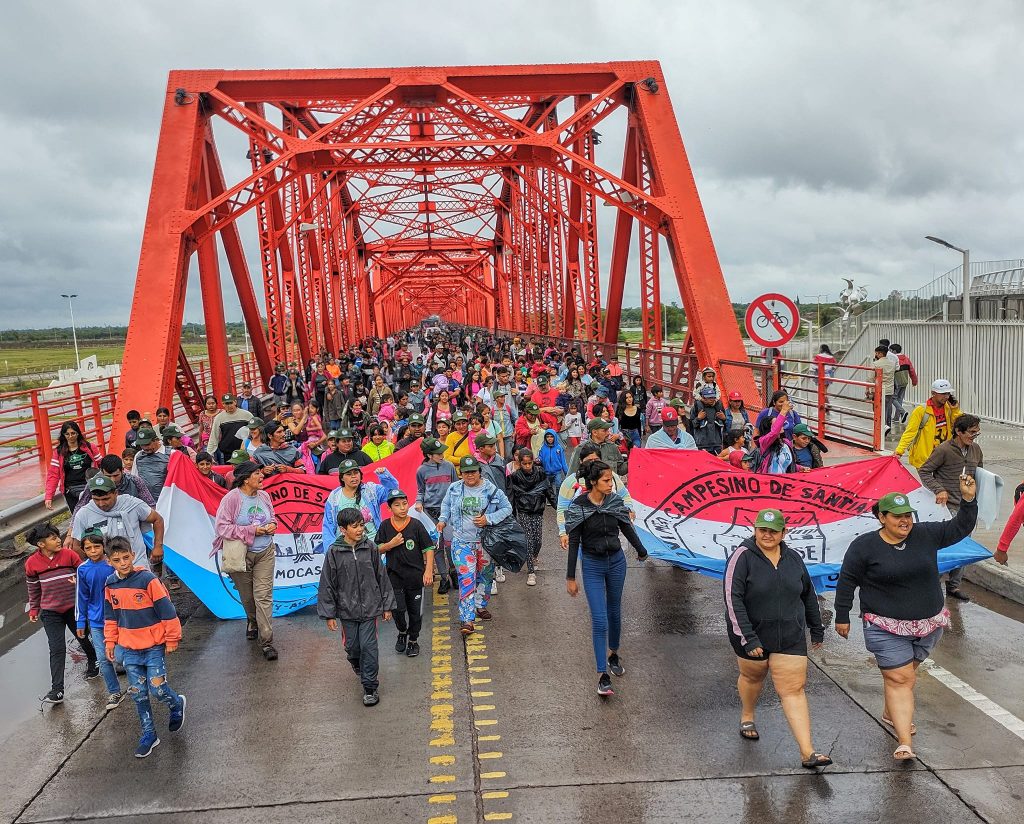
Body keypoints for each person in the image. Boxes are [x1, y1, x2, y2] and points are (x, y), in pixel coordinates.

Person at [834, 479, 978, 761]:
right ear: (881, 517)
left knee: (904, 678)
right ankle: (904, 742)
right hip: (884, 626)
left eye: (908, 515)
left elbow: (960, 527)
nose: (905, 521)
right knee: (901, 678)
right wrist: (842, 616)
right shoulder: (864, 547)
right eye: (897, 516)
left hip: (928, 626)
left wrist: (968, 500)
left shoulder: (925, 534)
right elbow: (847, 581)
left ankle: (891, 711)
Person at [724, 509, 831, 768]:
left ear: (784, 533)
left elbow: (807, 594)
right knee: (753, 677)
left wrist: (816, 628)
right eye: (763, 529)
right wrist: (748, 638)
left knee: (793, 690)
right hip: (751, 634)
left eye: (773, 530)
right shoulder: (742, 557)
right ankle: (748, 714)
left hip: (791, 636)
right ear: (755, 530)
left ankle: (808, 752)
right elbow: (732, 598)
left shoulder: (793, 558)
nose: (767, 535)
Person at [565, 461, 648, 697]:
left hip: (617, 563)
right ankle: (602, 676)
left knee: (614, 612)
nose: (610, 484)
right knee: (600, 620)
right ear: (593, 483)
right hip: (592, 564)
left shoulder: (614, 502)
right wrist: (571, 576)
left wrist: (641, 551)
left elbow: (626, 528)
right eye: (605, 480)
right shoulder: (579, 507)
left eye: (611, 480)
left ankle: (613, 653)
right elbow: (573, 543)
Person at [103, 536, 185, 758]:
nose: (123, 563)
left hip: (153, 647)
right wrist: (110, 641)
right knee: (138, 694)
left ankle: (176, 703)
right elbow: (110, 617)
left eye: (126, 557)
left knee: (158, 689)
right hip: (129, 648)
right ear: (109, 561)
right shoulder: (110, 584)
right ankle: (149, 733)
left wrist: (172, 638)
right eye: (117, 559)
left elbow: (166, 610)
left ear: (132, 554)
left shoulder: (148, 580)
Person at [318, 508, 396, 707]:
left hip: (370, 608)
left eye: (361, 525)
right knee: (353, 647)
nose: (360, 529)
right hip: (347, 610)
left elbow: (381, 577)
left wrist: (387, 605)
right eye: (355, 526)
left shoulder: (370, 547)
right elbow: (327, 583)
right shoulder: (334, 552)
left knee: (369, 647)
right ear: (343, 529)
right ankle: (355, 662)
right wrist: (329, 614)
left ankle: (370, 687)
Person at [436, 456, 513, 635]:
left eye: (473, 472)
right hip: (462, 542)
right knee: (467, 579)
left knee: (485, 577)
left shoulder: (490, 490)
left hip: (485, 543)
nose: (470, 475)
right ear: (461, 473)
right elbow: (446, 505)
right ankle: (467, 619)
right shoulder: (454, 488)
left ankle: (480, 605)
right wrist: (442, 520)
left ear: (479, 472)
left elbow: (507, 508)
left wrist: (488, 519)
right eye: (465, 472)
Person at [213, 461, 279, 661]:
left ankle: (266, 641)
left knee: (263, 597)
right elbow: (222, 528)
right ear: (244, 478)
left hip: (265, 552)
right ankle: (252, 621)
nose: (261, 477)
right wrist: (253, 530)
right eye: (257, 474)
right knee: (248, 598)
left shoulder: (265, 496)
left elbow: (273, 516)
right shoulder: (231, 499)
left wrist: (272, 525)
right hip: (241, 556)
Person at [26, 524, 98, 706]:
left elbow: (85, 574)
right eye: (53, 538)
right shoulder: (32, 564)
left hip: (74, 609)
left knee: (83, 639)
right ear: (41, 544)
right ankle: (57, 690)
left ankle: (93, 660)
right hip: (50, 612)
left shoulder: (69, 555)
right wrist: (34, 609)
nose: (59, 540)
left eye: (58, 536)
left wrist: (82, 586)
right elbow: (33, 589)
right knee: (56, 649)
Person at [918, 414, 983, 602]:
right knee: (944, 551)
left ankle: (954, 587)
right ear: (958, 431)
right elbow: (925, 471)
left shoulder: (976, 450)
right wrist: (940, 489)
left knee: (962, 549)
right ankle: (932, 586)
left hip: (967, 508)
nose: (974, 436)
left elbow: (980, 474)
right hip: (947, 508)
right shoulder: (943, 450)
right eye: (971, 432)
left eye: (976, 433)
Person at [376, 489, 435, 658]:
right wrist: (390, 544)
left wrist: (428, 571)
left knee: (415, 612)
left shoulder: (416, 525)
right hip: (394, 577)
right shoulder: (385, 526)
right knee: (398, 610)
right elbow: (377, 549)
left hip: (415, 577)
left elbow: (429, 548)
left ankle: (413, 640)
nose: (402, 508)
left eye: (404, 504)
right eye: (397, 505)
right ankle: (402, 632)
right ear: (389, 508)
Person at [72, 474, 164, 572]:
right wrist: (94, 564)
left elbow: (158, 519)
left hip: (138, 566)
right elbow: (77, 546)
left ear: (116, 493)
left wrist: (158, 546)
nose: (101, 504)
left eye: (106, 499)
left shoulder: (132, 504)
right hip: (107, 571)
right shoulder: (84, 514)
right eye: (96, 500)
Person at [75, 531, 126, 709]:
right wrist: (80, 621)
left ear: (104, 546)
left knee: (120, 655)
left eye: (97, 546)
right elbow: (81, 596)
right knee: (103, 659)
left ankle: (138, 682)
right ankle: (114, 692)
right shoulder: (82, 569)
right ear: (83, 550)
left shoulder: (112, 564)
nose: (93, 551)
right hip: (96, 621)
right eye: (88, 548)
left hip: (119, 617)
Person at [322, 461, 399, 548]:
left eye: (356, 472)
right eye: (348, 474)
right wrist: (331, 550)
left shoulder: (371, 490)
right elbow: (328, 526)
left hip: (374, 546)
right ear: (342, 478)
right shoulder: (334, 497)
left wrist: (384, 476)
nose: (353, 476)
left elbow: (393, 492)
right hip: (346, 549)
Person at [415, 437, 458, 590]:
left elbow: (456, 487)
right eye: (438, 453)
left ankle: (454, 572)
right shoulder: (421, 471)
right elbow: (420, 491)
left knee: (450, 544)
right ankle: (444, 578)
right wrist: (419, 502)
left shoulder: (450, 466)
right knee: (437, 546)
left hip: (448, 512)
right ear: (429, 455)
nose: (442, 455)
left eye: (442, 452)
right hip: (430, 513)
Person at [508, 448, 555, 586]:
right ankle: (530, 572)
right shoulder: (515, 476)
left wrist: (558, 507)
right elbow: (512, 496)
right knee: (528, 539)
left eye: (530, 463)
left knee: (537, 539)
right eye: (525, 464)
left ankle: (533, 556)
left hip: (538, 509)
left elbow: (548, 490)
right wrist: (511, 514)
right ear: (520, 463)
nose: (528, 466)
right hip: (523, 511)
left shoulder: (540, 473)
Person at [895, 379, 962, 468]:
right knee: (929, 482)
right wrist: (899, 451)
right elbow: (910, 432)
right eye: (942, 393)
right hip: (925, 459)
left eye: (948, 393)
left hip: (944, 456)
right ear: (933, 393)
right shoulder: (921, 411)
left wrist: (955, 410)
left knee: (941, 482)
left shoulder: (950, 408)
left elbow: (959, 426)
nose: (946, 396)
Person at [45, 420, 101, 511]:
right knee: (76, 518)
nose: (70, 436)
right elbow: (53, 475)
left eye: (73, 433)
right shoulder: (59, 452)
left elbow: (101, 464)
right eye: (67, 434)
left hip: (89, 487)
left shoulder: (90, 447)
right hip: (70, 490)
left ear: (78, 433)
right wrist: (49, 496)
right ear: (63, 435)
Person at [207, 394, 254, 460]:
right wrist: (209, 453)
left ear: (235, 402)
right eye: (226, 403)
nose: (229, 406)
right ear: (223, 404)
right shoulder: (219, 418)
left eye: (231, 403)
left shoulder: (247, 415)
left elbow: (256, 431)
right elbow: (214, 436)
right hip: (227, 453)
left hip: (245, 452)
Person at [131, 426, 171, 502]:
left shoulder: (171, 454)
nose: (145, 448)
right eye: (142, 445)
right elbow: (135, 479)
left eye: (147, 444)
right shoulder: (138, 456)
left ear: (156, 440)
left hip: (167, 501)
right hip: (148, 503)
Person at [888, 344, 918, 424]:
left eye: (890, 350)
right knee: (900, 399)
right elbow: (912, 370)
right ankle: (897, 417)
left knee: (892, 398)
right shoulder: (906, 359)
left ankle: (903, 412)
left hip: (896, 382)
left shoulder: (893, 359)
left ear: (893, 351)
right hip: (905, 381)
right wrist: (914, 381)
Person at [871, 345, 897, 435]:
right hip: (889, 390)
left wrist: (868, 390)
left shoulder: (876, 364)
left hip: (879, 391)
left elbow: (871, 378)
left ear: (881, 353)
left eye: (877, 353)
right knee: (886, 409)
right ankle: (885, 426)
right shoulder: (892, 363)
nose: (876, 355)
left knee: (877, 409)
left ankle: (883, 427)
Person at [538, 429, 569, 502]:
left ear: (555, 437)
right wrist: (538, 460)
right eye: (547, 436)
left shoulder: (559, 448)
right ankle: (550, 499)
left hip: (557, 471)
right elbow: (541, 457)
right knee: (549, 486)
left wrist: (567, 473)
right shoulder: (542, 448)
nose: (549, 438)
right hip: (547, 471)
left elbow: (563, 461)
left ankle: (558, 499)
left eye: (551, 436)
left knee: (558, 485)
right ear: (545, 438)